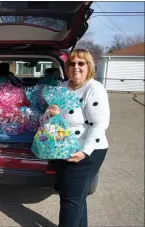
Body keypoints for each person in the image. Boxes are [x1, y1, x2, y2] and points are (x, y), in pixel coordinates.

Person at [47, 49, 110, 227]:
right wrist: (51, 113)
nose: (76, 67)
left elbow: (100, 124)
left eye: (81, 63)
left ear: (89, 66)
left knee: (70, 202)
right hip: (62, 149)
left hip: (85, 152)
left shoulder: (94, 89)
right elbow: (48, 116)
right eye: (72, 63)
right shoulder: (62, 87)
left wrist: (84, 151)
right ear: (67, 67)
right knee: (76, 198)